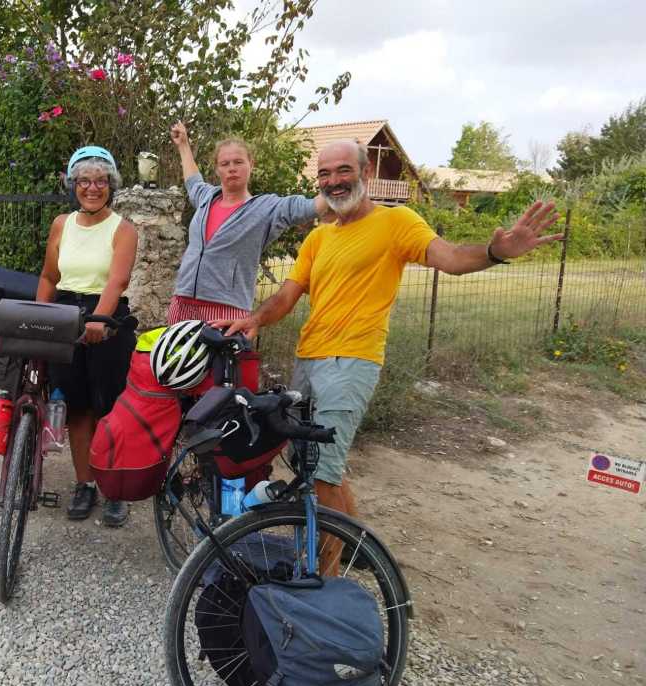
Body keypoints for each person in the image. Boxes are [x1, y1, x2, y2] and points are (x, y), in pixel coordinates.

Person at [218, 139, 563, 571]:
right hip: (309, 359)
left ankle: (325, 578)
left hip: (352, 361)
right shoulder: (319, 237)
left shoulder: (396, 221)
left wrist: (495, 252)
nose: (333, 181)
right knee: (316, 461)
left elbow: (451, 258)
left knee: (323, 472)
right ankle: (358, 546)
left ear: (365, 173)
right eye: (324, 174)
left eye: (343, 170)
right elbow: (287, 295)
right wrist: (255, 319)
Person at [36, 146, 139, 526]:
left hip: (106, 318)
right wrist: (39, 319)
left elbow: (118, 280)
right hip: (65, 314)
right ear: (73, 185)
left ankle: (115, 490)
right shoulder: (62, 224)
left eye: (100, 181)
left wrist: (99, 318)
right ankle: (85, 484)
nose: (92, 188)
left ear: (111, 185)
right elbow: (49, 277)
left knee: (109, 410)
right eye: (84, 181)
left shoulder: (123, 228)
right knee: (77, 408)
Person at [167, 120, 328, 328]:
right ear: (217, 169)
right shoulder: (206, 197)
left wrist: (340, 182)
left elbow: (309, 207)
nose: (232, 169)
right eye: (225, 164)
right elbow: (193, 181)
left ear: (251, 164)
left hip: (226, 310)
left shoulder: (265, 208)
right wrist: (183, 145)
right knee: (174, 351)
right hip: (182, 303)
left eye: (238, 162)